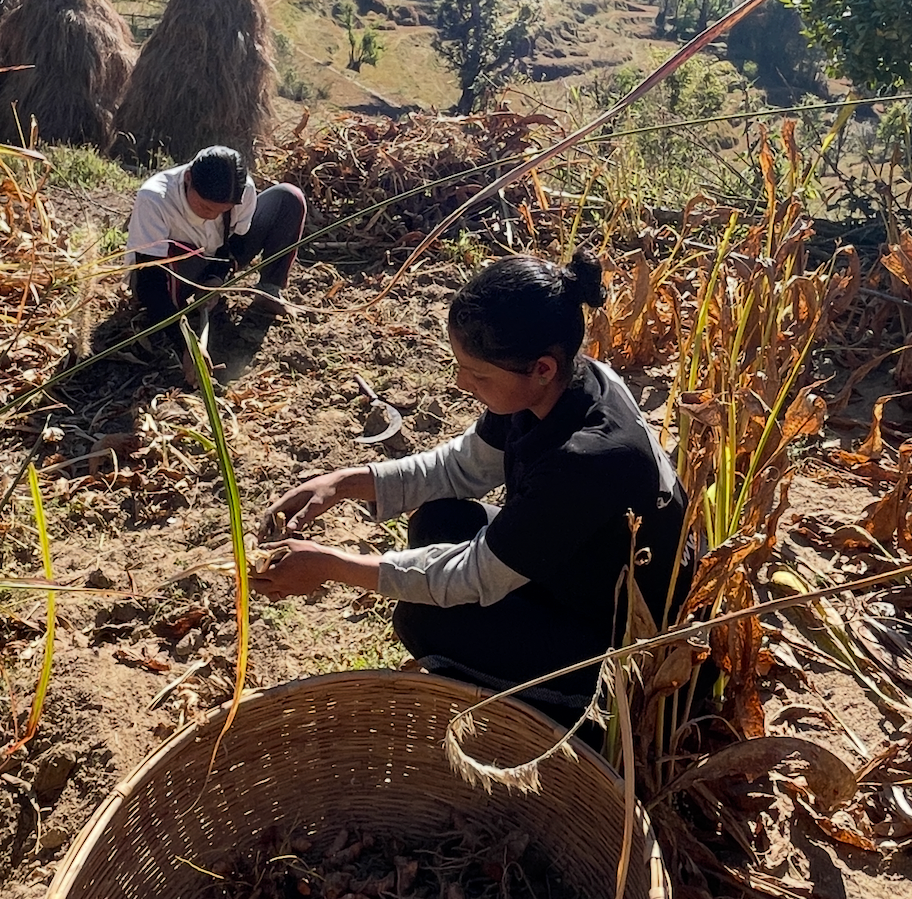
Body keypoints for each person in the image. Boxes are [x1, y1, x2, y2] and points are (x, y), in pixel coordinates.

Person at [253, 247, 693, 721]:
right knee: (440, 520)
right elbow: (459, 469)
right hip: (581, 575)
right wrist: (341, 484)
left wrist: (330, 565)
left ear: (542, 368)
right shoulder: (565, 383)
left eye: (478, 374)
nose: (463, 384)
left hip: (621, 643)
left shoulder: (586, 459)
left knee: (423, 619)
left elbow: (473, 575)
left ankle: (570, 715)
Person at [126, 145, 306, 382]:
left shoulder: (243, 192)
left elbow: (234, 244)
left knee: (288, 198)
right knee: (163, 285)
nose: (212, 216)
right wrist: (187, 344)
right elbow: (150, 283)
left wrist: (216, 277)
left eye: (223, 211)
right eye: (205, 207)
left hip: (211, 258)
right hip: (168, 273)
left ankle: (268, 290)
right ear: (188, 179)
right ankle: (175, 313)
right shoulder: (155, 199)